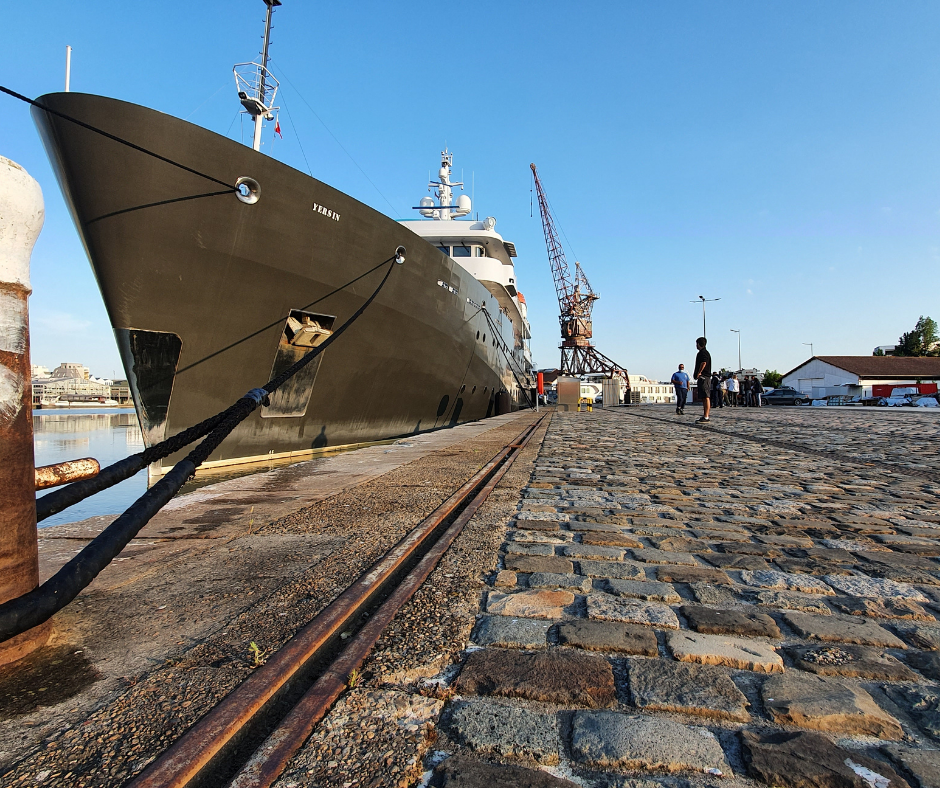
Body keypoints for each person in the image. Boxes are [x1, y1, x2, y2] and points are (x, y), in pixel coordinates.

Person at [693, 337, 711, 423]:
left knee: (706, 396)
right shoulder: (701, 353)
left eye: (697, 344)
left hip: (704, 377)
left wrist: (699, 372)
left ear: (699, 344)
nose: (696, 345)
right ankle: (705, 415)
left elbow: (704, 362)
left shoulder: (703, 353)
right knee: (704, 397)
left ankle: (706, 416)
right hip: (703, 377)